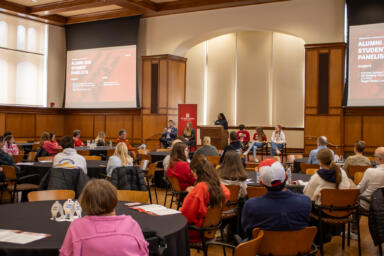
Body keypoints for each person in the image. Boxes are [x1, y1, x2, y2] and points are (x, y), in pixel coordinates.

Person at [59, 179, 148, 256]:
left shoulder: (77, 227)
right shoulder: (131, 224)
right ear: (114, 199)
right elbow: (144, 252)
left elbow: (65, 254)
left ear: (84, 201)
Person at [242, 158, 311, 239]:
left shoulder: (251, 206)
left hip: (262, 249)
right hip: (298, 248)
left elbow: (247, 230)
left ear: (261, 183)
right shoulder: (305, 202)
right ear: (286, 176)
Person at [181, 154, 230, 242]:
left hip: (196, 232)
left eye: (191, 171)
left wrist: (194, 193)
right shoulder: (215, 183)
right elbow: (226, 193)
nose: (191, 174)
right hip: (211, 228)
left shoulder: (201, 187)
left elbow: (186, 216)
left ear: (195, 171)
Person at [358, 147, 384, 212]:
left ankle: (354, 221)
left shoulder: (370, 171)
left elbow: (359, 189)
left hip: (368, 204)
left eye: (374, 156)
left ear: (380, 159)